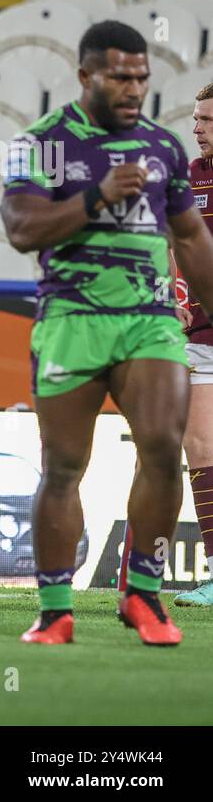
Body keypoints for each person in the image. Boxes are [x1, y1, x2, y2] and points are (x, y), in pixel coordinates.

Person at [1, 22, 213, 645]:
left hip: (150, 320)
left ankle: (143, 595)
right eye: (121, 76)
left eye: (142, 77)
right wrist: (96, 197)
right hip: (72, 319)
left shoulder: (164, 147)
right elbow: (21, 228)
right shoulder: (40, 143)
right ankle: (56, 609)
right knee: (64, 467)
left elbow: (194, 238)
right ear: (85, 75)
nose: (133, 88)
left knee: (162, 448)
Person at [175, 83, 213, 606]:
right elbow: (170, 241)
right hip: (202, 334)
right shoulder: (192, 176)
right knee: (200, 444)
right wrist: (174, 294)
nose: (197, 126)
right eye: (197, 118)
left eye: (207, 120)